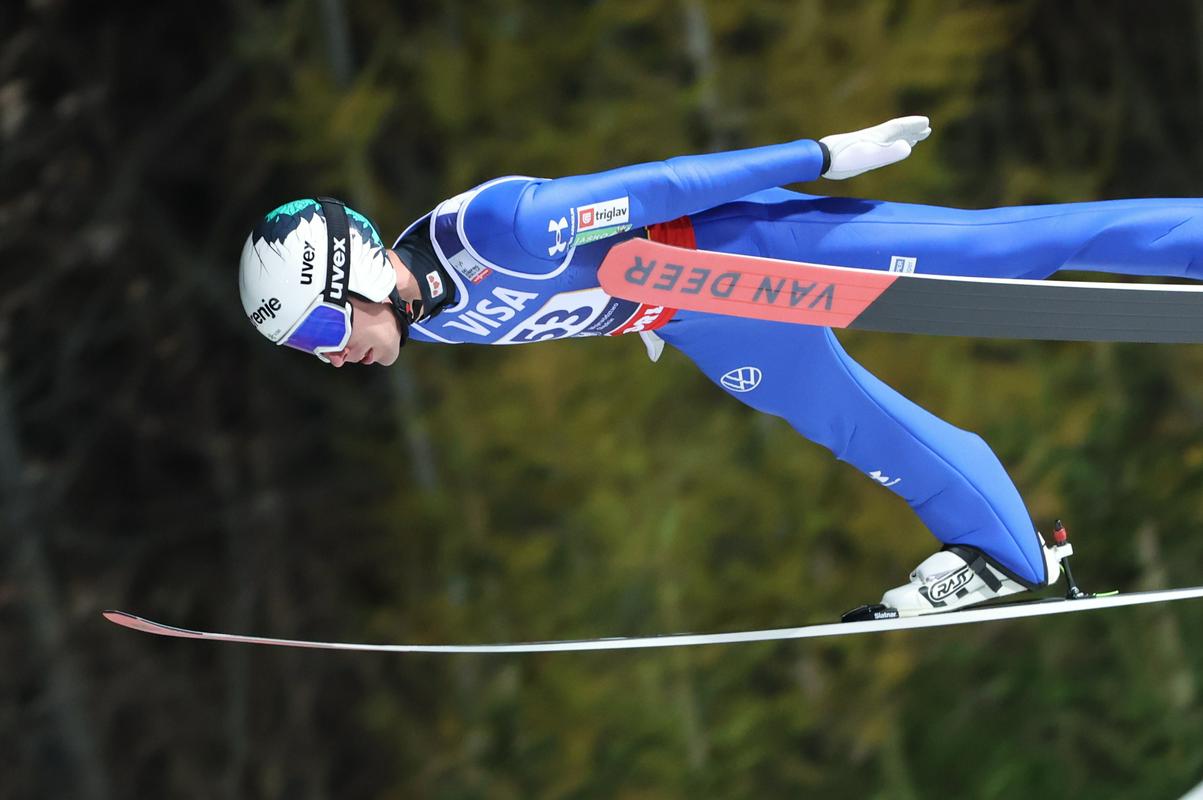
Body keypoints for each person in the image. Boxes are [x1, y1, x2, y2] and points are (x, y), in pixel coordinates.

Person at [238, 116, 1203, 616]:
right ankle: (1015, 560)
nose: (336, 360)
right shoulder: (433, 326)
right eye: (312, 353)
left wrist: (824, 155)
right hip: (696, 319)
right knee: (854, 424)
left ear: (355, 271)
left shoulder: (502, 228)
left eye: (325, 333)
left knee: (1003, 253)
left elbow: (660, 183)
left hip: (737, 248)